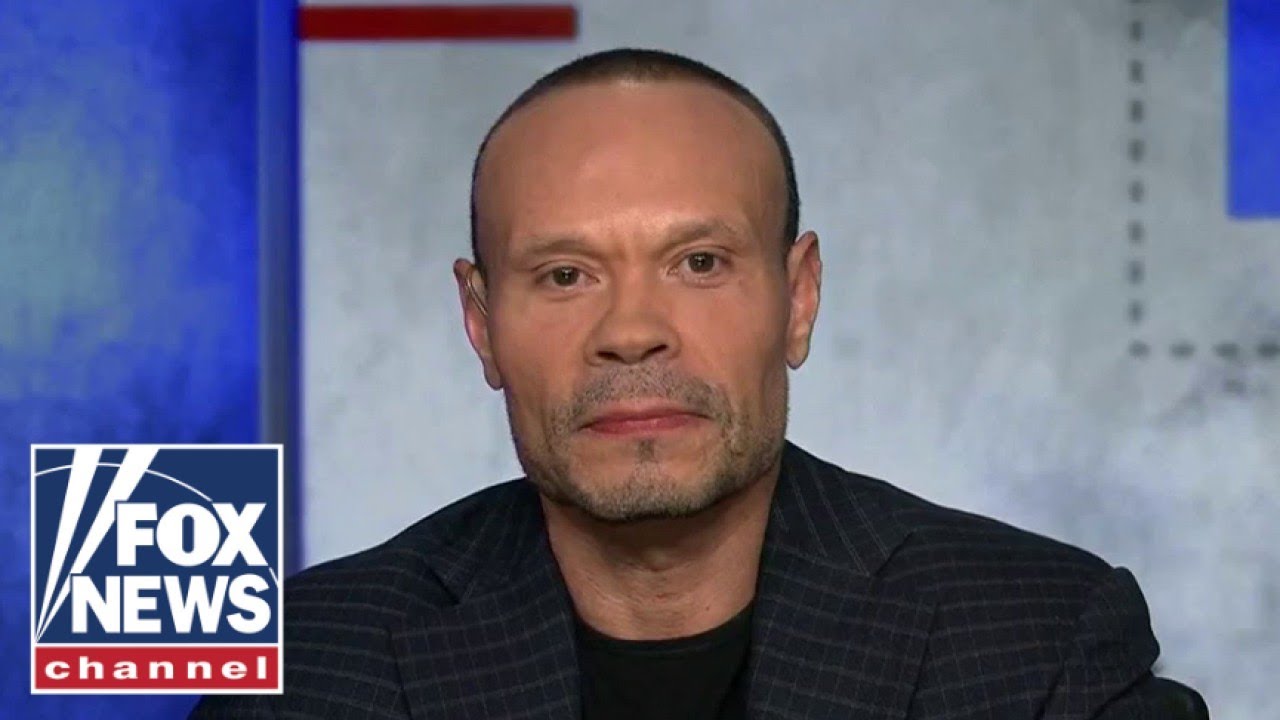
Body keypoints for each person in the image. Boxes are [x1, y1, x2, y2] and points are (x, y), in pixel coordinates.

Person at [193, 48, 1207, 719]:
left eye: (699, 263)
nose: (631, 332)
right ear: (480, 322)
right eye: (565, 275)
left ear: (797, 299)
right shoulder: (310, 669)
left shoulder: (1036, 647)